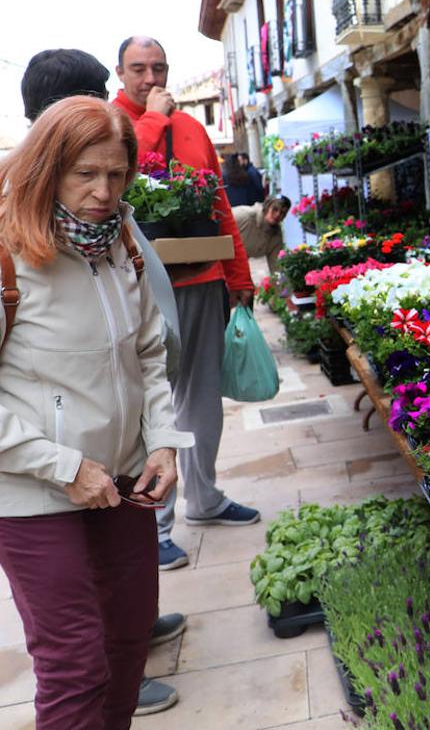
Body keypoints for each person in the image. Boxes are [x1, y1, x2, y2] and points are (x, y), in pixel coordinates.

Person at [0, 96, 193, 729]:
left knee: (129, 639)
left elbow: (147, 352)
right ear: (47, 169)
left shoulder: (121, 242)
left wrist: (163, 442)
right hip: (32, 493)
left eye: (116, 174)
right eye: (86, 174)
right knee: (74, 664)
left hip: (123, 481)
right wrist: (63, 466)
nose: (103, 191)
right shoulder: (9, 254)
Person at [113, 36, 260, 572]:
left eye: (158, 68)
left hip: (201, 281)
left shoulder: (196, 129)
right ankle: (155, 526)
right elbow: (125, 173)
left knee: (201, 399)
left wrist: (238, 274)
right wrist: (151, 120)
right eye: (138, 69)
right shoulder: (112, 123)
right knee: (151, 405)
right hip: (138, 286)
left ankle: (205, 498)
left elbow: (219, 204)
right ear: (119, 73)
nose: (151, 78)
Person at [234, 195, 291, 274]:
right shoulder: (246, 216)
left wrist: (282, 285)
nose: (278, 214)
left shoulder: (276, 236)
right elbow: (219, 221)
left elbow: (276, 267)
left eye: (282, 213)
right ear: (267, 207)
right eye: (275, 209)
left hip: (238, 263)